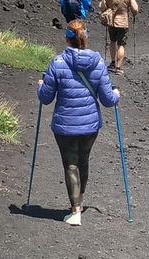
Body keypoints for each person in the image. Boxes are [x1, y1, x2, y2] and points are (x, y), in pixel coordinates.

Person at [37, 19, 121, 226]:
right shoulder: (99, 62)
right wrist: (116, 94)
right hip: (90, 124)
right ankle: (80, 200)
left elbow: (46, 98)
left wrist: (40, 86)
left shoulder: (57, 63)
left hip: (65, 125)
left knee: (70, 164)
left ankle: (75, 211)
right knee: (83, 161)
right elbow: (108, 100)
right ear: (86, 37)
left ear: (67, 38)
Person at [99, 0, 139, 75]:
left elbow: (101, 7)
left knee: (112, 41)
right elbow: (135, 9)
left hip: (111, 22)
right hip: (123, 23)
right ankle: (118, 67)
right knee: (121, 44)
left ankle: (112, 63)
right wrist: (133, 14)